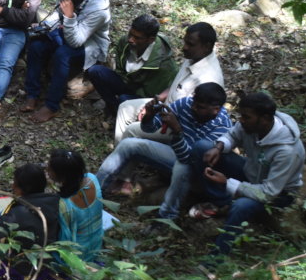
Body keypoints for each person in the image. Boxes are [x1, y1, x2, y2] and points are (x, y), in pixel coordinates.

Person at [95, 83, 232, 228]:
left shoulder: (222, 127)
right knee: (128, 144)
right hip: (176, 153)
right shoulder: (186, 103)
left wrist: (177, 131)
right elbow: (150, 128)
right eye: (194, 103)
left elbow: (187, 159)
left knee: (182, 168)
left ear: (215, 109)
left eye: (200, 107)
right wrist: (149, 116)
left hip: (194, 169)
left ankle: (166, 218)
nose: (193, 108)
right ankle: (96, 190)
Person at [202, 93, 305, 255]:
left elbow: (269, 193)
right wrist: (219, 147)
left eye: (246, 117)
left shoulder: (287, 152)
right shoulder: (250, 126)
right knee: (201, 148)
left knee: (241, 206)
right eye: (241, 116)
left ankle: (215, 260)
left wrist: (227, 183)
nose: (241, 120)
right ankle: (221, 202)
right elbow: (232, 135)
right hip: (251, 173)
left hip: (278, 194)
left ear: (264, 119)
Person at [21, 0, 111, 123]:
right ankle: (32, 94)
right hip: (68, 31)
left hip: (90, 44)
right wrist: (45, 25)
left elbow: (76, 41)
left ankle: (52, 105)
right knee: (36, 46)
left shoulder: (99, 9)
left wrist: (69, 17)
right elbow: (58, 14)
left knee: (62, 55)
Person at [114, 22, 224, 144]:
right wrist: (157, 100)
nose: (184, 47)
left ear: (207, 46)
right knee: (125, 107)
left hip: (178, 125)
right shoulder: (195, 57)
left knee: (131, 130)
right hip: (166, 107)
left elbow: (198, 119)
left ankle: (124, 156)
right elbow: (177, 85)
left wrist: (156, 116)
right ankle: (122, 150)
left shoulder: (208, 79)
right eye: (185, 42)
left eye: (190, 44)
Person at [86, 14, 179, 118]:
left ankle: (122, 113)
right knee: (95, 71)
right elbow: (120, 70)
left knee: (124, 100)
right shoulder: (125, 42)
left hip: (144, 94)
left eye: (137, 38)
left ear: (150, 40)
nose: (131, 39)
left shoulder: (163, 65)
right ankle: (112, 106)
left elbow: (151, 94)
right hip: (128, 82)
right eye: (130, 34)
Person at [47, 149, 103, 261]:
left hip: (80, 255)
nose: (47, 170)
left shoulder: (64, 204)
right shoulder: (92, 178)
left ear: (61, 176)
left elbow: (65, 241)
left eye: (50, 169)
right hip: (97, 244)